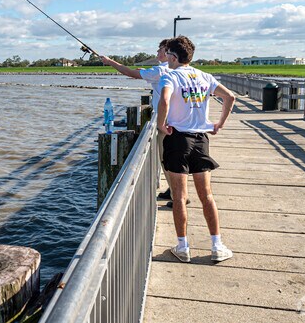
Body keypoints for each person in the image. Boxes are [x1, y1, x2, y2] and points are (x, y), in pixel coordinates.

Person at [156, 36, 236, 263]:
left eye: (167, 54)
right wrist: (219, 124)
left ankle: (182, 247)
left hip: (177, 139)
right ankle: (217, 246)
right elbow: (230, 97)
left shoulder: (170, 76)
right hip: (201, 139)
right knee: (207, 196)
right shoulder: (204, 76)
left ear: (172, 56)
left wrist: (162, 124)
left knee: (180, 198)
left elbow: (164, 100)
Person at [100, 39, 185, 207]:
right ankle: (173, 190)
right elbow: (142, 72)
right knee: (173, 158)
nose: (158, 53)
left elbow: (130, 73)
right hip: (177, 120)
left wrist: (110, 62)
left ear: (168, 52)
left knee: (166, 159)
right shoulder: (171, 69)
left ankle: (178, 197)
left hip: (166, 122)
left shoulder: (159, 70)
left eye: (160, 50)